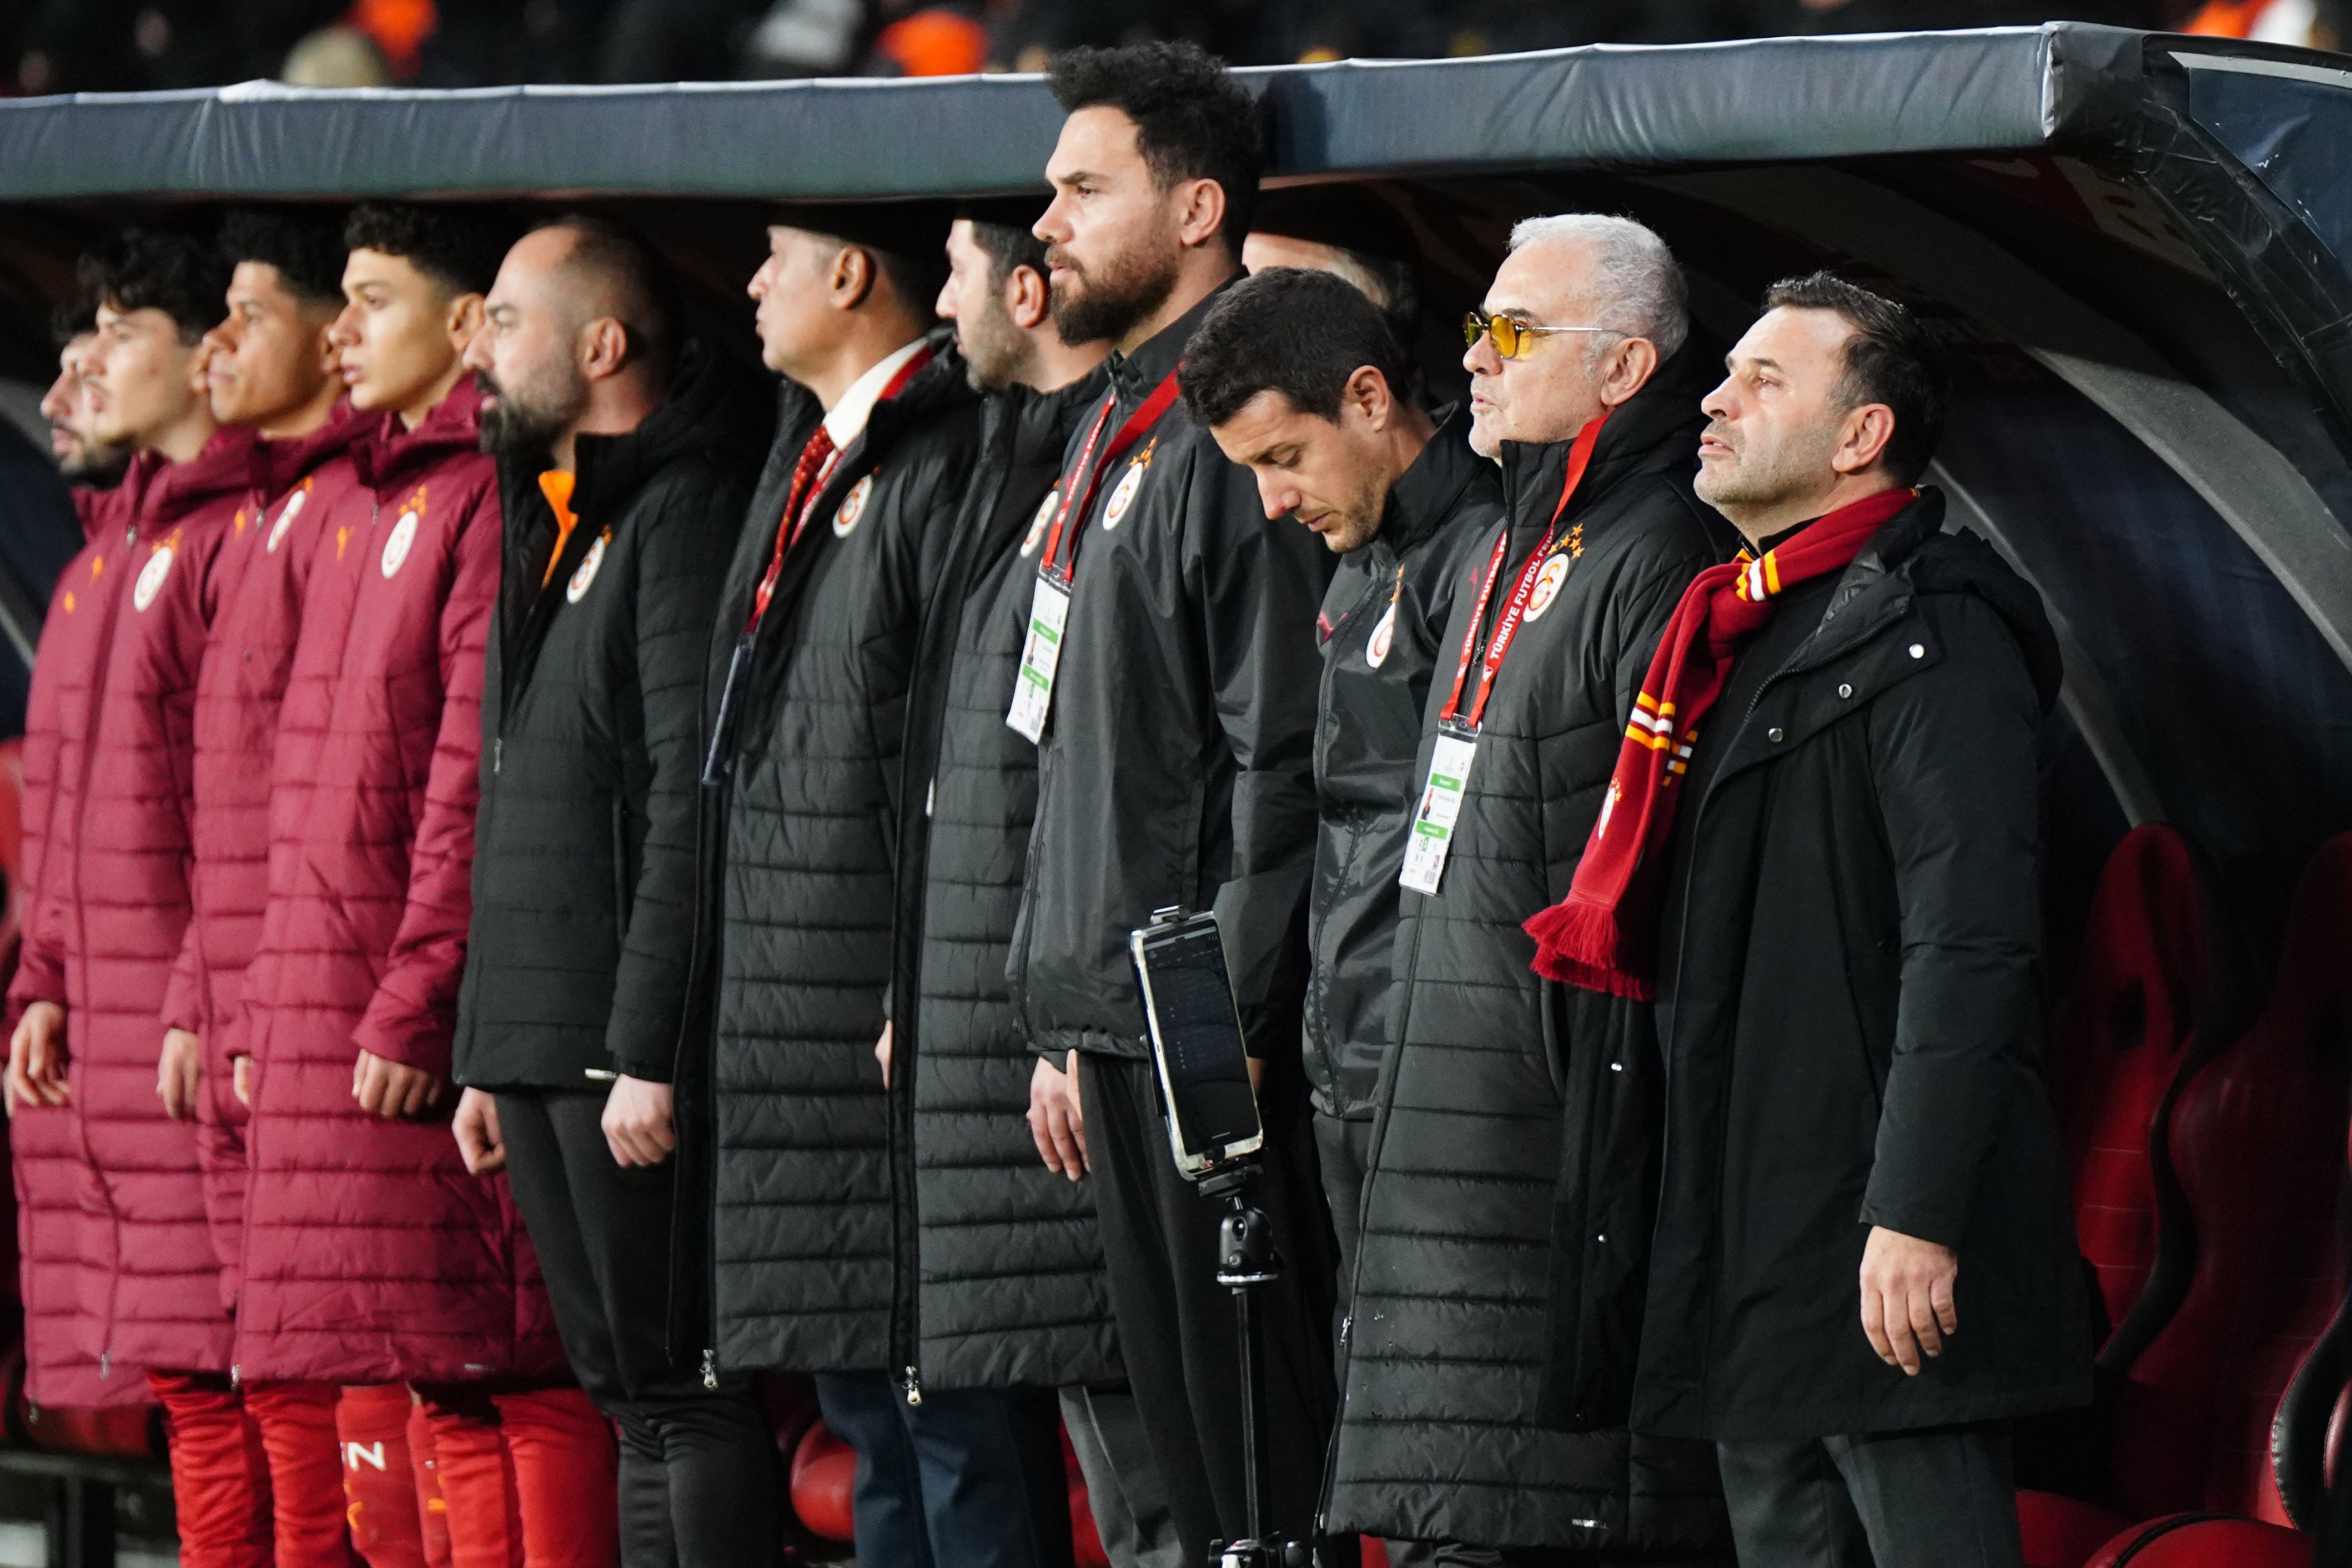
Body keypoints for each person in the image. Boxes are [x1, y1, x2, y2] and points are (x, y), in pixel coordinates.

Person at [1551, 273, 2088, 1567]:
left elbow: (1969, 945)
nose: (1717, 401)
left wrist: (1917, 1212)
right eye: (1725, 373)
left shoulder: (1937, 634)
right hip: (1756, 1238)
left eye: (1763, 380)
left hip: (1876, 1249)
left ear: (1862, 438)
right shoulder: (1733, 629)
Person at [1323, 214, 1734, 1559]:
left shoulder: (1661, 547)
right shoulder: (1508, 538)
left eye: (1513, 332)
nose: (1476, 358)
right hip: (1448, 1119)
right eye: (1477, 325)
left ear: (1622, 367)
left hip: (1540, 1146)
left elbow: (1664, 892)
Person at [229, 202, 617, 1568]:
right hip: (325, 1019)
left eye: (371, 298)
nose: (343, 332)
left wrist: (413, 996)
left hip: (421, 1024)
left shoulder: (483, 501)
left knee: (499, 1364)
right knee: (423, 1370)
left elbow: (470, 782)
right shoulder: (366, 503)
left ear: (464, 328)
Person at [1011, 43, 1339, 1565]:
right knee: (1190, 1488)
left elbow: (1280, 758)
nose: (1047, 221)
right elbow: (1093, 751)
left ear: (1199, 205)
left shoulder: (1236, 428)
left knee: (1256, 1479)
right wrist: (1071, 1017)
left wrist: (1225, 1030)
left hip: (1201, 1039)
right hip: (1120, 1026)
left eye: (1084, 187)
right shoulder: (1113, 419)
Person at [446, 214, 775, 1568]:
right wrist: (485, 1047)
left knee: (685, 1395)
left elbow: (681, 800)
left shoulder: (682, 510)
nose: (481, 343)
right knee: (630, 1400)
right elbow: (523, 800)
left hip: (614, 1053)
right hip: (535, 1040)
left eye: (507, 319)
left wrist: (646, 1045)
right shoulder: (554, 513)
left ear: (602, 342)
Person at [687, 203, 998, 1565]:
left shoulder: (938, 457)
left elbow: (944, 751)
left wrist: (906, 982)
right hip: (793, 1017)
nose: (749, 284)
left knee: (951, 1430)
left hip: (878, 1012)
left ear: (855, 274)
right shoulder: (808, 458)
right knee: (868, 1413)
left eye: (774, 256)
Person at [1179, 265, 1502, 1568]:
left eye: (1285, 455)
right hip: (1349, 1078)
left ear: (1370, 397)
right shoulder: (1363, 569)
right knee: (1391, 1476)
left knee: (1454, 1495)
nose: (1272, 498)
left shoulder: (1477, 559)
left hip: (1434, 1091)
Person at [6, 228, 266, 1567]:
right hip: (106, 1038)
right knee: (188, 1384)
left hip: (190, 1036)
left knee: (237, 1391)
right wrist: (41, 976)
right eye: (76, 337)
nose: (81, 372)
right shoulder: (100, 555)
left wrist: (191, 996)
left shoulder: (233, 542)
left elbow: (241, 813)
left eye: (116, 334)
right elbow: (63, 821)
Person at [878, 203, 1117, 1568]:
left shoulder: (1108, 456)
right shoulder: (1009, 459)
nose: (943, 301)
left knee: (1060, 1450)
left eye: (960, 271)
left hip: (1047, 1032)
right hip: (976, 1013)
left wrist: (1052, 1013)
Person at [163, 208, 384, 1568]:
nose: (215, 353)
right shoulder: (264, 514)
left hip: (338, 1019)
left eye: (248, 314)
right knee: (248, 1365)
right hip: (248, 1014)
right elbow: (218, 804)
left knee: (372, 1370)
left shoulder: (372, 509)